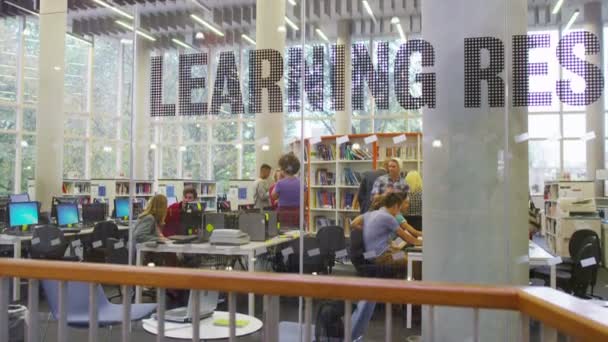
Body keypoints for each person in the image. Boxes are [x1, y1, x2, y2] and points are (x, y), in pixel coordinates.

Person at [350, 193, 420, 267]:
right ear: (396, 206)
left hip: (369, 255)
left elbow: (353, 224)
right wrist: (422, 243)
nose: (398, 213)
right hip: (381, 257)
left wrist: (369, 229)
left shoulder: (369, 214)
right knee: (411, 258)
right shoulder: (388, 217)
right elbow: (407, 238)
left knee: (403, 253)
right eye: (399, 209)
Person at [271, 152, 302, 227]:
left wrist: (278, 181)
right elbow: (303, 202)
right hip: (297, 213)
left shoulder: (280, 183)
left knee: (283, 234)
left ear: (282, 169)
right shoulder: (301, 183)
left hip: (283, 213)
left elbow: (273, 196)